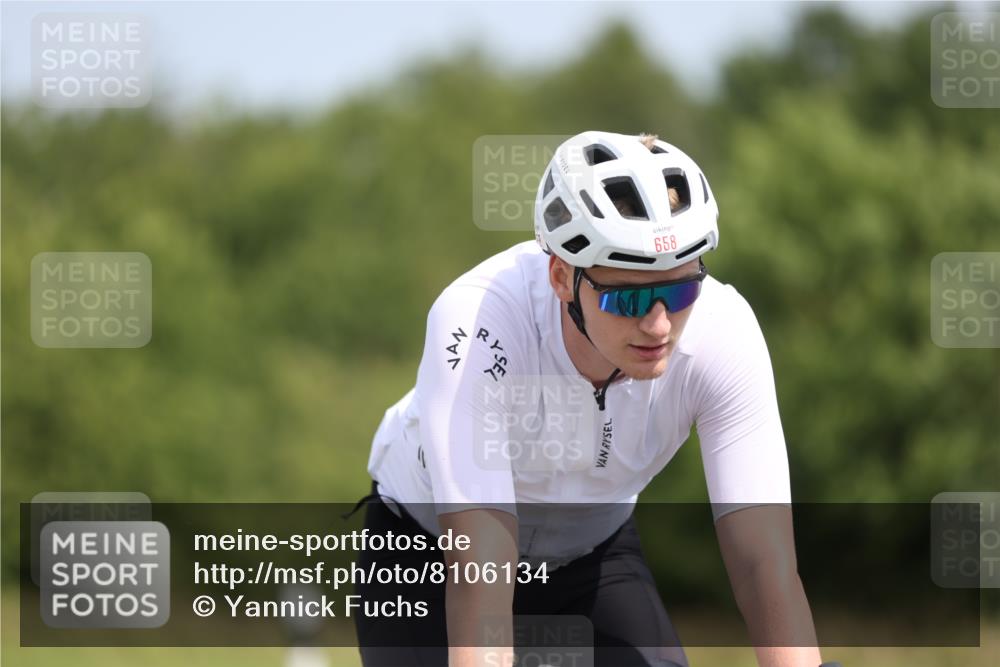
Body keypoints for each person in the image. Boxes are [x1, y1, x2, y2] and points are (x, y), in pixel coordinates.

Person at [353, 131, 824, 667]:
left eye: (680, 291)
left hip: (591, 553)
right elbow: (480, 564)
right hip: (431, 555)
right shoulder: (480, 320)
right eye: (630, 296)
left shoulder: (724, 332)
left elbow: (764, 564)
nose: (659, 325)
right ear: (561, 277)